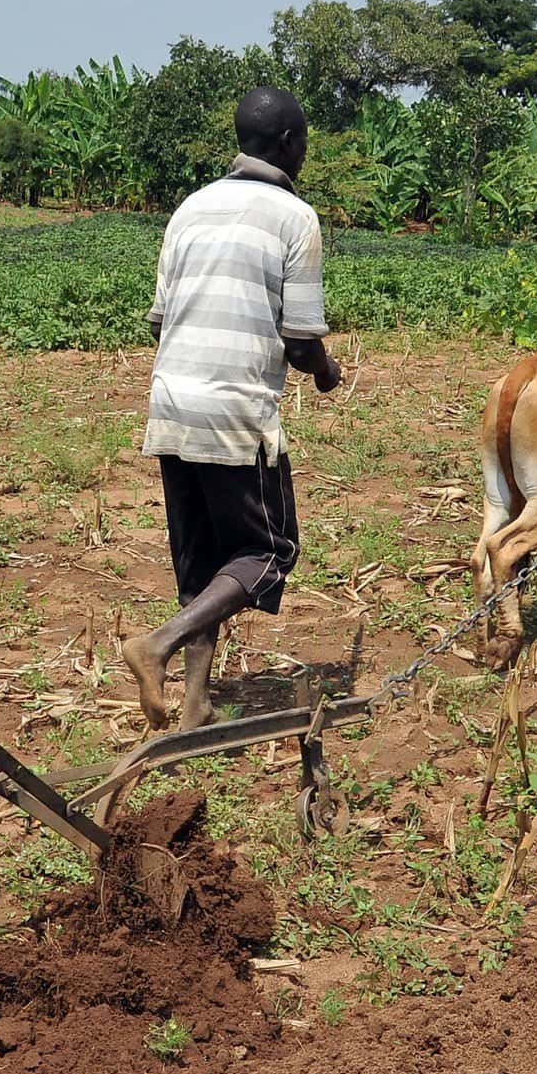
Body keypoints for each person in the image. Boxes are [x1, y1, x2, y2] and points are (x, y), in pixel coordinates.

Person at [124, 88, 342, 731]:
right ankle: (156, 644)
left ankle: (194, 703)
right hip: (235, 411)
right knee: (268, 552)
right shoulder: (293, 217)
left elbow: (161, 321)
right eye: (303, 141)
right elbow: (302, 342)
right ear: (288, 144)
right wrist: (329, 373)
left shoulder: (188, 209)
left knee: (201, 559)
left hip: (171, 401)